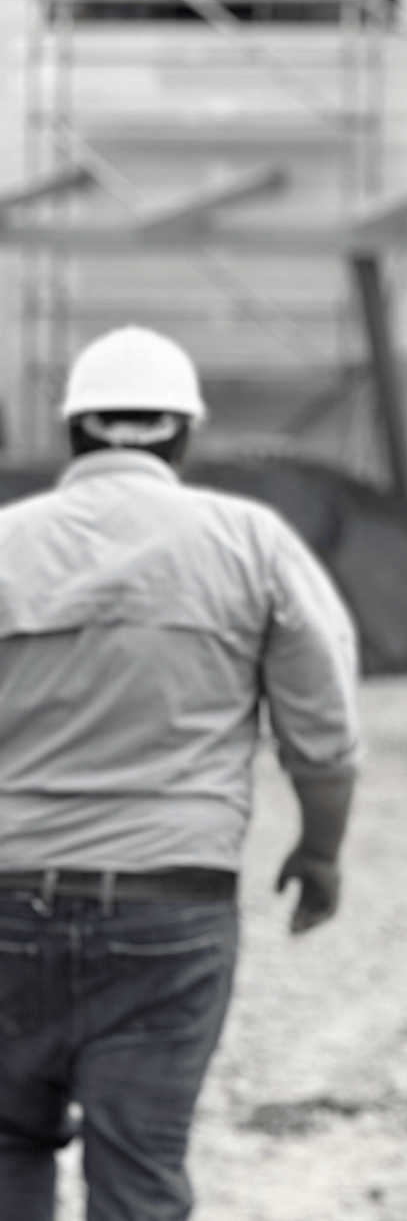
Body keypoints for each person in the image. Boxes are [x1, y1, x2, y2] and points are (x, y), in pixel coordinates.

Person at [0, 325, 360, 1221]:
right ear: (184, 435)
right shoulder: (250, 541)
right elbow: (323, 735)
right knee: (141, 1167)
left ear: (74, 432)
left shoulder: (6, 542)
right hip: (171, 911)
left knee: (6, 1149)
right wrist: (319, 854)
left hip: (5, 903)